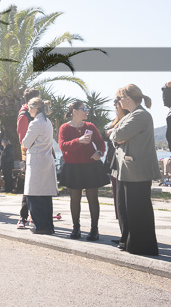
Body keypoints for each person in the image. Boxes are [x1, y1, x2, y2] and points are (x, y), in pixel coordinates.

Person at [109, 84, 160, 256]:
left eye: (120, 98)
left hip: (137, 172)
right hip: (127, 171)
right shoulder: (132, 115)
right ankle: (129, 242)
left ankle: (142, 246)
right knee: (126, 209)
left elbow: (118, 135)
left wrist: (114, 134)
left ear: (128, 98)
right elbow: (118, 136)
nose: (118, 101)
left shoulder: (140, 115)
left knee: (138, 209)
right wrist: (116, 134)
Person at [58, 101, 110, 241]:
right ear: (74, 111)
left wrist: (100, 152)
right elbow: (63, 146)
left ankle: (94, 229)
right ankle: (76, 228)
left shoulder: (90, 126)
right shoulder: (64, 128)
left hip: (91, 166)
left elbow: (101, 144)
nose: (87, 111)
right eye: (84, 109)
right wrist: (79, 140)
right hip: (73, 167)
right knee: (75, 199)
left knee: (93, 198)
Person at [21, 98, 57, 235]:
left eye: (29, 108)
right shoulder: (47, 122)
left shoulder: (35, 123)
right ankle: (48, 225)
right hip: (46, 159)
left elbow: (26, 143)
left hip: (36, 162)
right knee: (46, 196)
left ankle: (41, 226)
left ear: (34, 108)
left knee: (33, 196)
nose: (28, 111)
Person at [16, 88, 40, 229]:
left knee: (35, 187)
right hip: (30, 155)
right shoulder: (24, 114)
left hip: (37, 154)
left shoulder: (36, 115)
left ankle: (31, 216)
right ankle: (24, 217)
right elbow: (23, 139)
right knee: (29, 187)